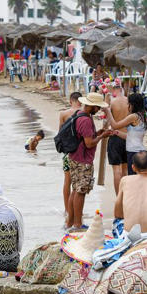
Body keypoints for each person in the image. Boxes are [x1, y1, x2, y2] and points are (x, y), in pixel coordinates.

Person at [67, 93, 113, 230]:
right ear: (91, 106)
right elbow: (89, 144)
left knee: (75, 190)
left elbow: (84, 137)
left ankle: (70, 223)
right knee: (80, 191)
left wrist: (97, 133)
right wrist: (101, 137)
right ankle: (77, 224)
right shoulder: (86, 120)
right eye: (97, 107)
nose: (98, 109)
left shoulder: (79, 115)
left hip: (74, 157)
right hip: (83, 159)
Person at [113, 151, 147, 237]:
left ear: (133, 168)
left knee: (117, 221)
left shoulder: (125, 180)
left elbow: (118, 214)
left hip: (129, 236)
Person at [104, 93, 147, 175]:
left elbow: (115, 125)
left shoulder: (133, 116)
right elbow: (131, 137)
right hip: (140, 149)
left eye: (129, 104)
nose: (128, 106)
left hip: (133, 152)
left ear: (133, 104)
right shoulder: (143, 116)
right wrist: (117, 133)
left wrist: (108, 111)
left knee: (132, 178)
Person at [58, 92, 82, 222]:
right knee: (77, 183)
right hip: (79, 151)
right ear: (80, 101)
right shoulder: (82, 112)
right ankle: (76, 210)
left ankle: (67, 210)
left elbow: (60, 134)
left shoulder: (63, 114)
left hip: (68, 152)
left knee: (67, 181)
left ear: (70, 100)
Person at [105, 79, 128, 195]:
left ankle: (119, 197)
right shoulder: (128, 101)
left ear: (113, 90)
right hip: (127, 137)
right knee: (125, 171)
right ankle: (126, 197)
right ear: (121, 89)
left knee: (116, 171)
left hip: (115, 136)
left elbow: (107, 121)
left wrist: (107, 97)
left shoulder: (112, 102)